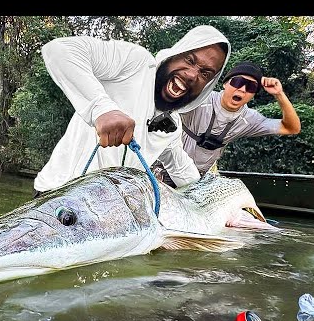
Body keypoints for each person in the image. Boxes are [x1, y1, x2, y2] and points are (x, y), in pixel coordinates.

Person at [33, 25, 231, 197]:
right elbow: (60, 50)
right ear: (173, 55)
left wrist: (216, 203)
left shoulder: (173, 124)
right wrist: (101, 109)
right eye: (189, 60)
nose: (191, 75)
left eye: (205, 73)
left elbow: (181, 169)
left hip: (107, 217)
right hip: (57, 201)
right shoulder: (135, 64)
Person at [154, 61, 301, 186]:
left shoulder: (249, 119)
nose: (242, 89)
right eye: (238, 82)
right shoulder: (200, 99)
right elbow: (161, 101)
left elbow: (291, 128)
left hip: (197, 181)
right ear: (225, 83)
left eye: (250, 87)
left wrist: (279, 94)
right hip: (163, 170)